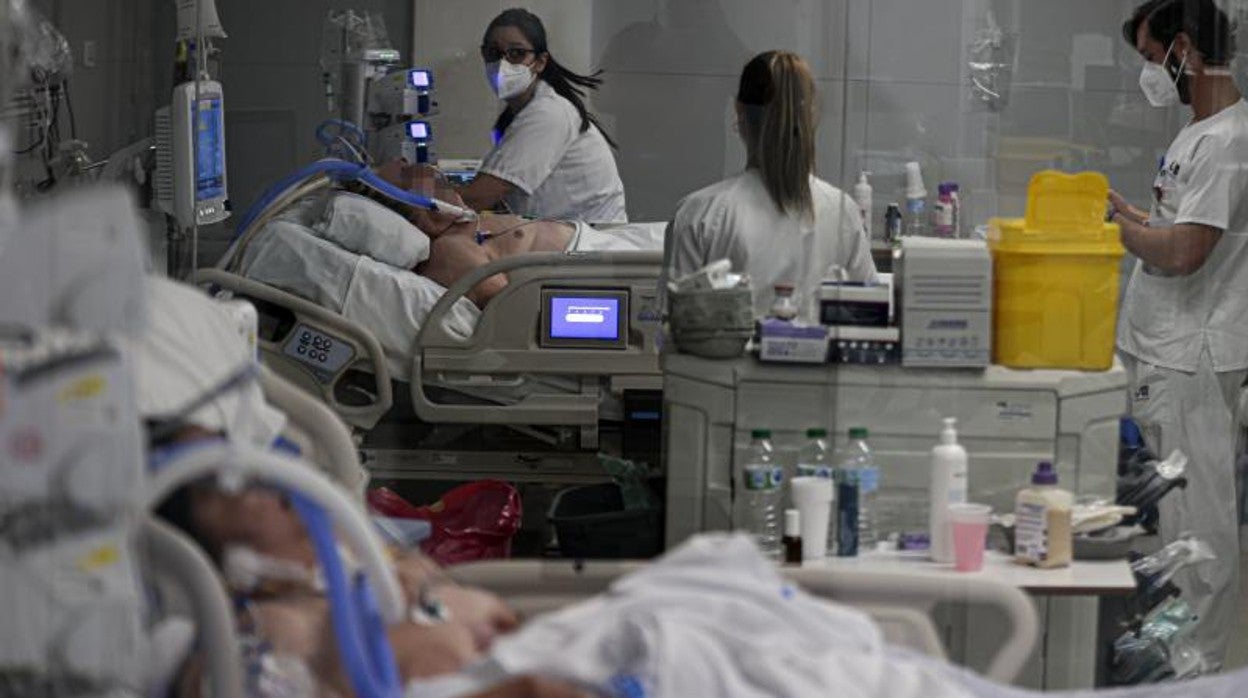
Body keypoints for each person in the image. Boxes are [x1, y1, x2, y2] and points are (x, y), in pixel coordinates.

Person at [1110, 0, 1248, 670]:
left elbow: (1187, 250)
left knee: (1197, 531)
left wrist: (1128, 233)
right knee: (1170, 524)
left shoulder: (1231, 140)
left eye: (1149, 57)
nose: (1150, 75)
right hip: (1164, 349)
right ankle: (1169, 665)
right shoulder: (1202, 131)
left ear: (1184, 50)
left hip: (1192, 357)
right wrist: (1136, 217)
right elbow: (1177, 225)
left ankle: (1198, 673)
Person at [662, 51, 877, 323]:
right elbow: (869, 315)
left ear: (739, 113)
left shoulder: (699, 214)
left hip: (724, 366)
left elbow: (674, 331)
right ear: (812, 116)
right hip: (816, 365)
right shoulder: (843, 211)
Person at [373, 160, 661, 308]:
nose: (425, 171)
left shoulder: (460, 223)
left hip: (603, 242)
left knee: (692, 229)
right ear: (420, 210)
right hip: (596, 264)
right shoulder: (450, 249)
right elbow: (505, 304)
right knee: (698, 242)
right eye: (408, 173)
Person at [454, 8, 627, 223]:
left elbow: (480, 197)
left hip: (587, 244)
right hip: (559, 235)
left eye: (516, 53)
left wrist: (413, 199)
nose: (502, 64)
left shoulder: (548, 114)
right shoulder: (518, 114)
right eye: (493, 53)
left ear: (540, 62)